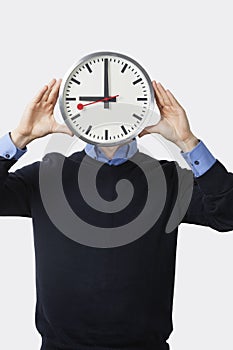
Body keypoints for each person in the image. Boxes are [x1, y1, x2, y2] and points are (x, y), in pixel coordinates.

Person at [0, 78, 233, 350]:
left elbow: (227, 214)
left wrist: (188, 142)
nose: (108, 111)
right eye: (97, 103)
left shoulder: (168, 180)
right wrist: (20, 137)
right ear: (78, 114)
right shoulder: (47, 175)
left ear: (141, 111)